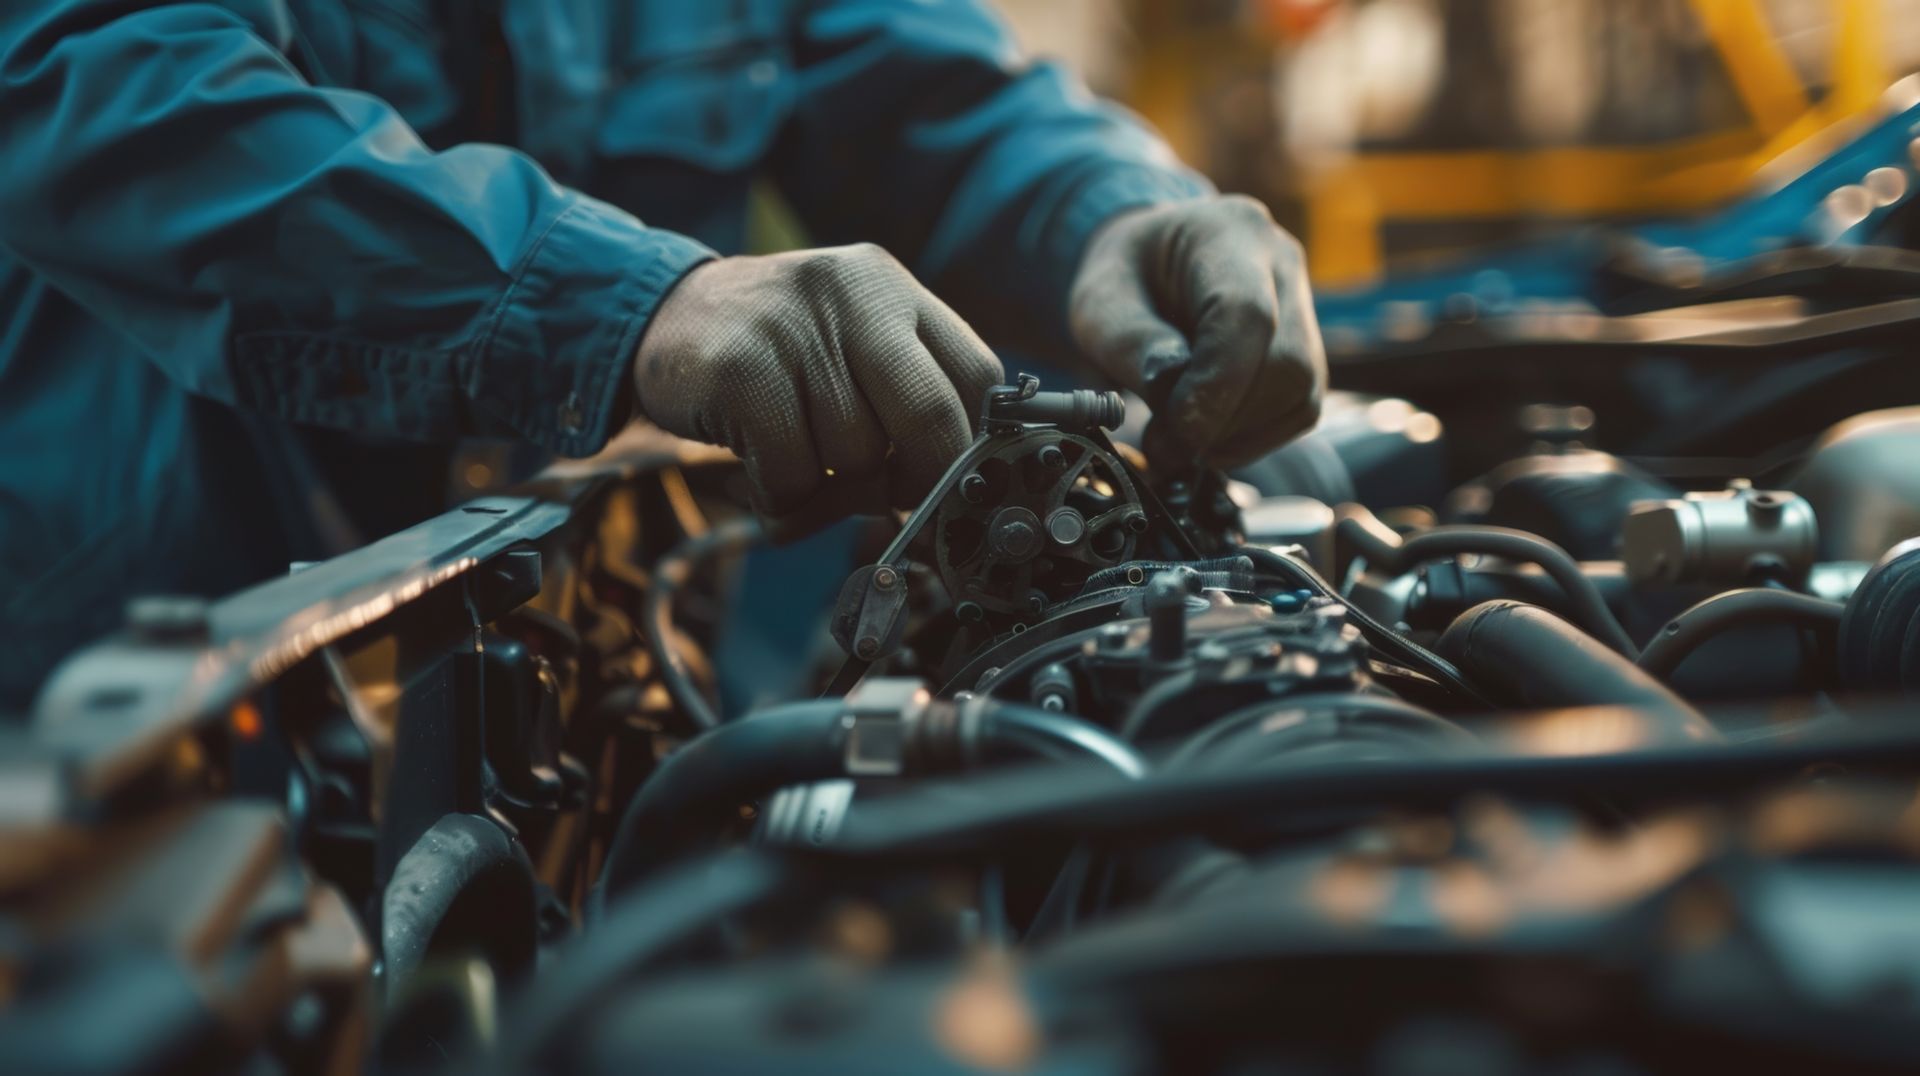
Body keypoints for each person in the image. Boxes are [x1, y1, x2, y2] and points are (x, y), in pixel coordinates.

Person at [0, 0, 1325, 709]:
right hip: (128, 730)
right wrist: (635, 302)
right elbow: (98, 80)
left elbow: (927, 85)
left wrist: (1111, 214)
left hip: (558, 699)